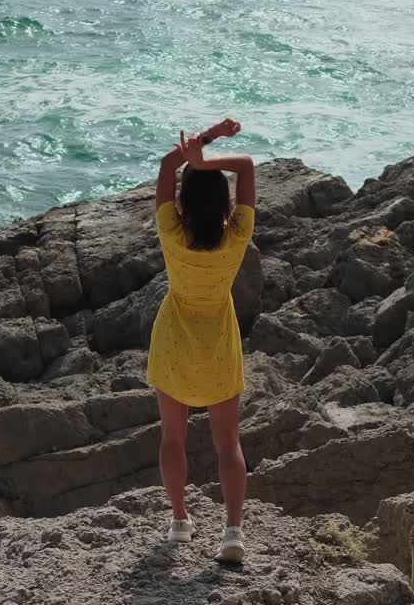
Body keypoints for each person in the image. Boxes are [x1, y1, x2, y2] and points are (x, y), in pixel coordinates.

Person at [147, 117, 256, 564]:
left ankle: (179, 521)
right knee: (227, 443)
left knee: (173, 439)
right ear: (224, 203)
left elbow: (164, 168)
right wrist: (208, 156)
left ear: (184, 203)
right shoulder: (237, 237)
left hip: (173, 340)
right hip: (219, 345)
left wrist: (202, 143)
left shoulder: (172, 232)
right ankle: (232, 532)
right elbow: (247, 166)